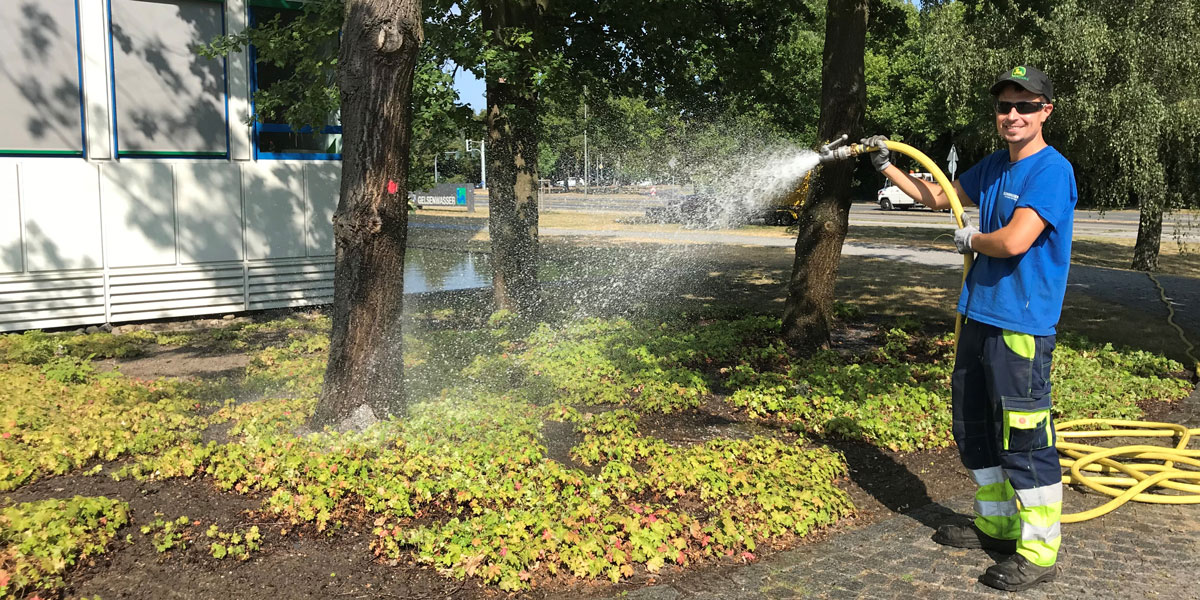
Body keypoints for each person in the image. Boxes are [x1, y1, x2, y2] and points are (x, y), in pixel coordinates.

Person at [861, 64, 1077, 592]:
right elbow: (938, 197)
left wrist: (970, 240)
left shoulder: (1050, 171)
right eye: (1005, 106)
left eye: (1025, 105)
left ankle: (1038, 550)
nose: (1012, 115)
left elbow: (1012, 241)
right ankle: (998, 526)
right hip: (979, 317)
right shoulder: (994, 167)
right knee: (973, 428)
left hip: (1021, 325)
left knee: (1024, 440)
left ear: (1045, 110)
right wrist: (888, 167)